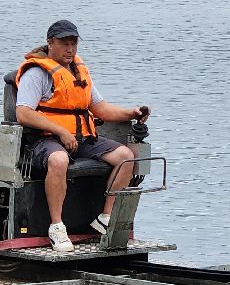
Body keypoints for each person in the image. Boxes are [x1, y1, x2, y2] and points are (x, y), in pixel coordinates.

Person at [14, 19, 151, 253]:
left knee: (126, 157)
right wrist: (60, 131)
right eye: (64, 43)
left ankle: (106, 217)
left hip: (82, 138)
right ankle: (57, 227)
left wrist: (132, 112)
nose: (70, 49)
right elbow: (23, 113)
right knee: (59, 160)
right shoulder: (37, 73)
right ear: (50, 43)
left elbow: (100, 108)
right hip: (44, 140)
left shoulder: (78, 70)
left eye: (74, 43)